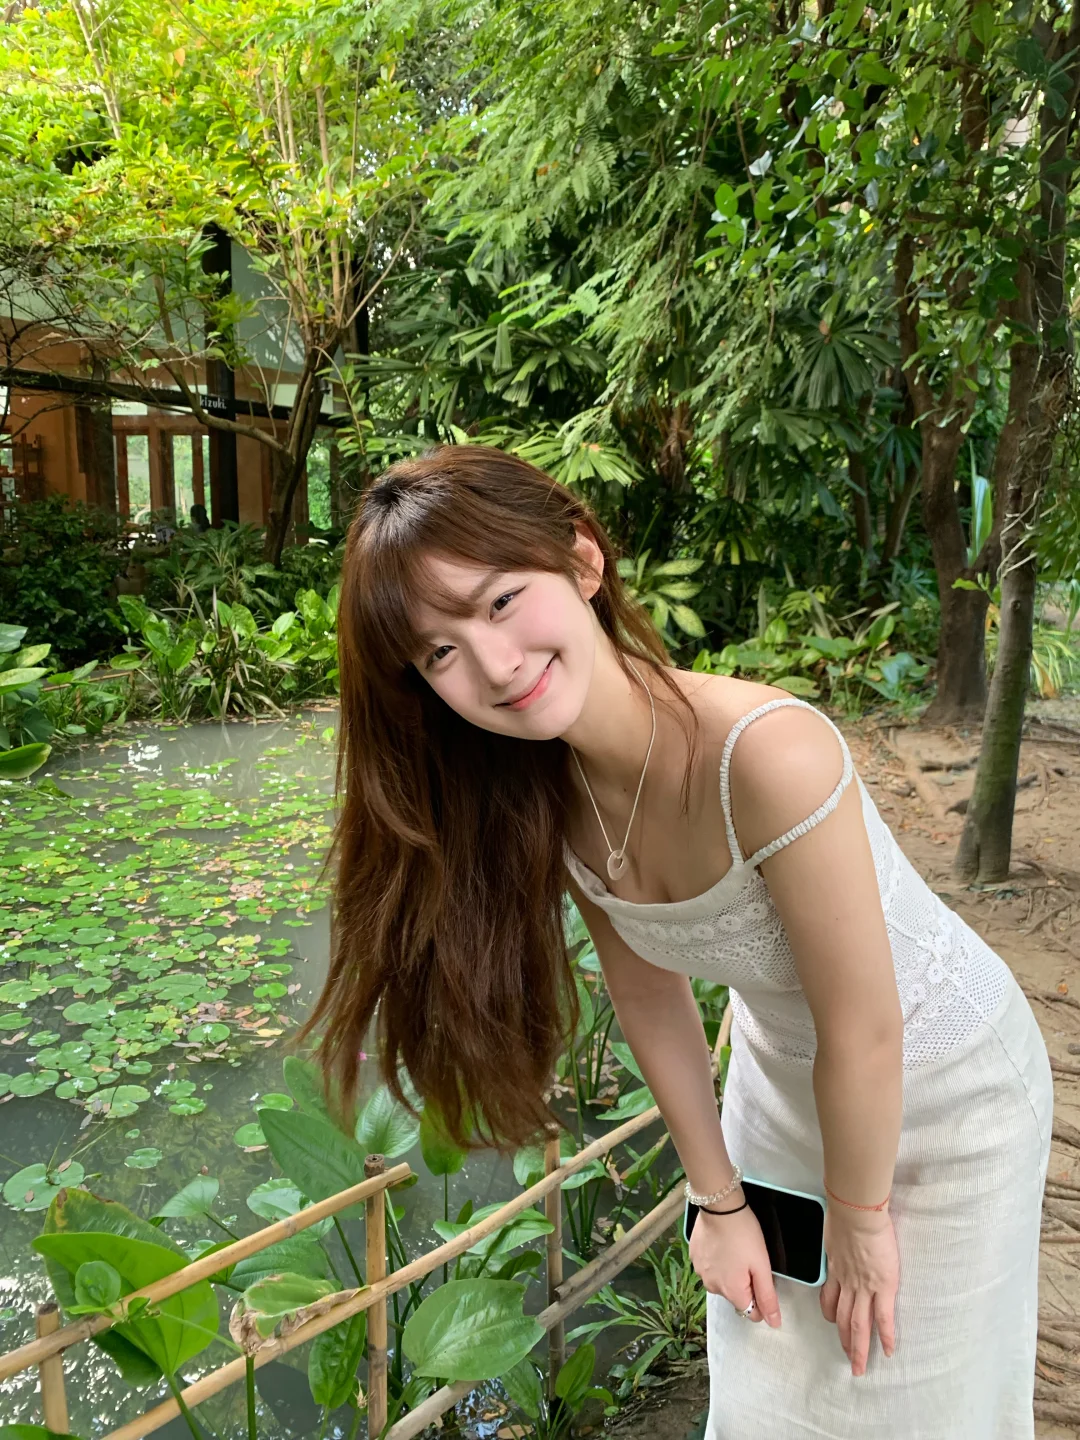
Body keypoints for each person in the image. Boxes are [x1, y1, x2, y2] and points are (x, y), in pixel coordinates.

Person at [304, 444, 1053, 1439]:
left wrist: (861, 1218)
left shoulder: (767, 754)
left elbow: (865, 1027)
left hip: (941, 1085)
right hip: (782, 1087)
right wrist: (719, 1198)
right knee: (768, 1393)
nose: (494, 663)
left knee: (915, 1394)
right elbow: (649, 994)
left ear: (582, 560)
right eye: (438, 652)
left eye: (500, 602)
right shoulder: (546, 792)